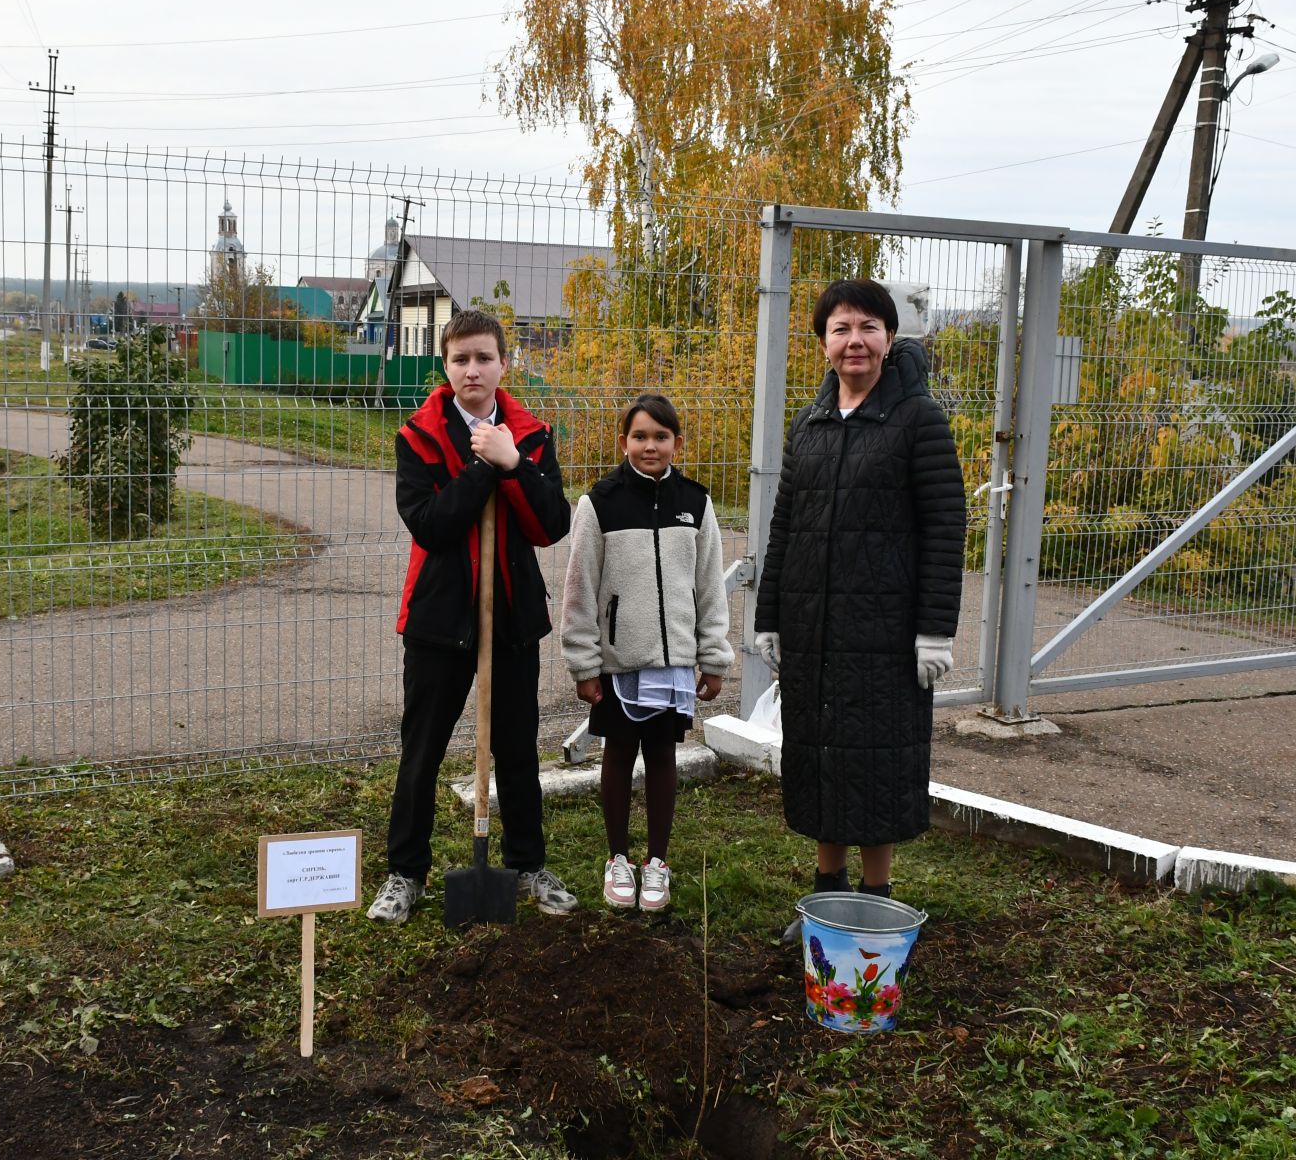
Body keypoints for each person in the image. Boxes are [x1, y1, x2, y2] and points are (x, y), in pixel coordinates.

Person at [752, 279, 966, 920]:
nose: (856, 341)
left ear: (891, 339)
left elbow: (945, 525)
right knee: (820, 752)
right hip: (815, 627)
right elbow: (785, 522)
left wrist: (935, 629)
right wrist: (770, 616)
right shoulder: (810, 423)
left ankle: (875, 900)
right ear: (823, 343)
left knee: (875, 759)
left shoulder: (917, 418)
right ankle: (826, 892)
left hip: (885, 631)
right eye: (842, 328)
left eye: (869, 327)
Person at [367, 308, 579, 926]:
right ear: (445, 366)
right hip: (439, 618)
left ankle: (527, 863)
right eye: (460, 359)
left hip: (509, 617)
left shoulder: (531, 435)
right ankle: (405, 872)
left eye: (484, 357)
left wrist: (515, 463)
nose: (472, 370)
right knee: (422, 750)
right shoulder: (419, 435)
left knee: (516, 749)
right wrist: (483, 465)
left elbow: (551, 525)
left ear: (503, 364)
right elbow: (432, 525)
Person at [562, 394, 733, 913]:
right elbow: (579, 589)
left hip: (674, 664)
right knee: (618, 753)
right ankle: (618, 859)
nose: (650, 445)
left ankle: (657, 862)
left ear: (677, 443)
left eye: (660, 437)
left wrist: (714, 656)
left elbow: (709, 588)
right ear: (623, 442)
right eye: (639, 436)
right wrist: (584, 662)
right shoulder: (600, 503)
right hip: (617, 664)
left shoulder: (696, 504)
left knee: (661, 755)